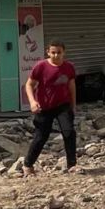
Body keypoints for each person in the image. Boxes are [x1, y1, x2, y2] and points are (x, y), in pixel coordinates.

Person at [23, 41, 79, 176]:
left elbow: (71, 86)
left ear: (64, 52)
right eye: (53, 52)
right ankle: (28, 165)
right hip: (44, 107)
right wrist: (32, 102)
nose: (56, 55)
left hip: (63, 105)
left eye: (59, 52)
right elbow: (29, 85)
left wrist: (73, 105)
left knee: (69, 132)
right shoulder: (41, 66)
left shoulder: (69, 67)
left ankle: (72, 165)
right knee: (41, 136)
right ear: (48, 52)